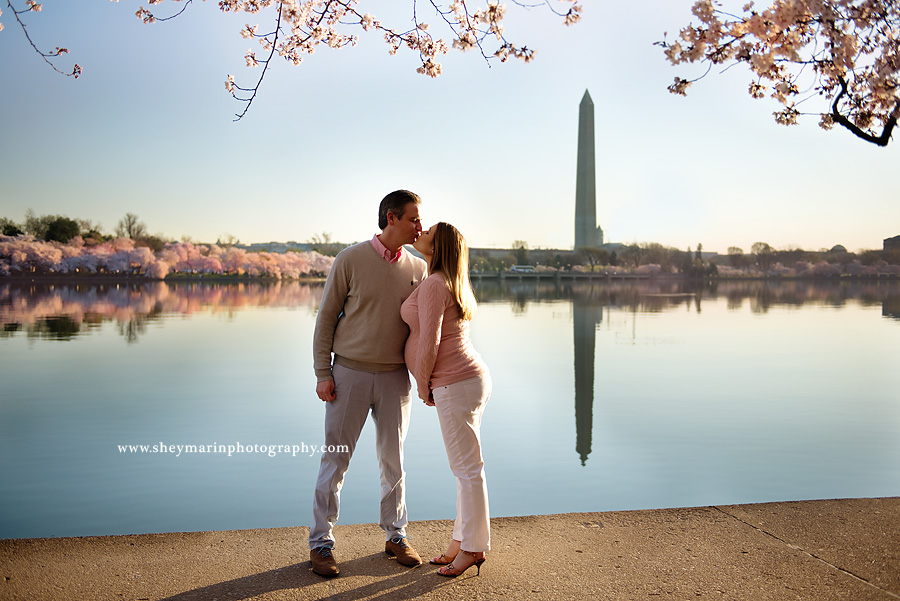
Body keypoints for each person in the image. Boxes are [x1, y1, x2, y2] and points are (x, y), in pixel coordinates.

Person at [308, 190, 428, 578]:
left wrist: (426, 379)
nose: (419, 227)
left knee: (394, 460)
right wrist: (322, 373)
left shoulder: (418, 268)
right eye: (413, 219)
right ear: (391, 218)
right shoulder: (350, 259)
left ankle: (396, 535)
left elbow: (423, 330)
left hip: (395, 378)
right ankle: (321, 543)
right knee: (336, 458)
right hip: (349, 374)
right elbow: (326, 318)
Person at [400, 222, 491, 578]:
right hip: (467, 379)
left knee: (468, 470)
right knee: (465, 469)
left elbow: (430, 342)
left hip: (454, 382)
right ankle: (461, 540)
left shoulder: (436, 284)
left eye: (427, 233)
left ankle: (473, 548)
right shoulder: (446, 280)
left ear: (436, 248)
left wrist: (423, 384)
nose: (420, 232)